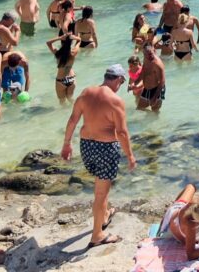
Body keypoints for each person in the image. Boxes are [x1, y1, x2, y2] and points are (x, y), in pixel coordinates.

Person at [61, 64, 136, 248]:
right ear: (118, 80)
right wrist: (130, 156)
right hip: (105, 148)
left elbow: (73, 120)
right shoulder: (115, 101)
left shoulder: (86, 93)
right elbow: (123, 132)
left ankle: (103, 216)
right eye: (122, 81)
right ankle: (97, 235)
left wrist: (66, 144)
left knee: (100, 187)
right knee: (101, 193)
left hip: (86, 146)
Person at [134, 42, 166, 112]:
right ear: (143, 53)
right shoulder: (146, 58)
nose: (149, 56)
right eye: (146, 54)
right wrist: (136, 81)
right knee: (139, 109)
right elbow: (144, 71)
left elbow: (162, 82)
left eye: (150, 54)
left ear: (154, 50)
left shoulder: (157, 64)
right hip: (147, 88)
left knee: (154, 112)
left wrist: (154, 97)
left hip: (157, 90)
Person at [48, 35, 79, 103]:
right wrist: (73, 37)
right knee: (71, 100)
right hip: (71, 79)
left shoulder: (58, 54)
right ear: (71, 43)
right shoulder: (73, 53)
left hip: (61, 81)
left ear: (61, 43)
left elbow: (48, 43)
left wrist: (59, 38)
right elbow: (79, 40)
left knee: (62, 102)